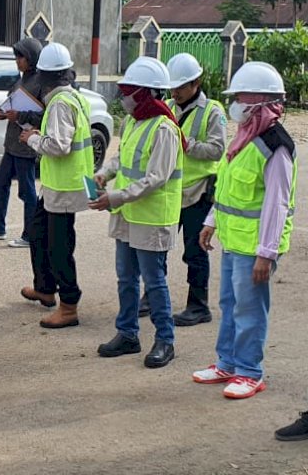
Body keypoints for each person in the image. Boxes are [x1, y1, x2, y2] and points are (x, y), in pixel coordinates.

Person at [193, 61, 297, 400]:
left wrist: (266, 253)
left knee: (250, 309)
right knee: (230, 302)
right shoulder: (244, 138)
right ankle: (227, 363)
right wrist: (211, 222)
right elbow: (227, 189)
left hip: (255, 245)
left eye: (241, 99)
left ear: (259, 103)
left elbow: (276, 204)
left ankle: (249, 371)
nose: (235, 105)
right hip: (234, 239)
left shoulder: (275, 145)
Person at [90, 57, 183, 369]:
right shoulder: (132, 121)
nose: (123, 98)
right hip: (128, 214)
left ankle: (165, 341)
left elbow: (155, 178)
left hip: (152, 217)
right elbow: (121, 159)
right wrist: (105, 173)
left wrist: (114, 196)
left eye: (128, 92)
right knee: (126, 278)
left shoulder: (165, 129)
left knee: (154, 282)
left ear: (145, 94)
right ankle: (128, 334)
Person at [147, 52, 225, 326]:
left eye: (181, 87)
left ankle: (198, 305)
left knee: (195, 250)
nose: (176, 92)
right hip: (171, 191)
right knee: (158, 246)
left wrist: (188, 144)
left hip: (198, 191)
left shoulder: (212, 111)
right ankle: (153, 295)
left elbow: (217, 150)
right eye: (173, 87)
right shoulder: (167, 104)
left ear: (197, 82)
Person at [18, 42, 93, 327]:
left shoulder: (61, 103)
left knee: (59, 246)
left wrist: (33, 139)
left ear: (45, 77)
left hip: (65, 186)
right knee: (38, 233)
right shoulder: (73, 98)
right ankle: (45, 289)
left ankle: (69, 305)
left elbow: (59, 146)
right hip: (60, 184)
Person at [0, 37, 44, 248]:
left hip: (26, 145)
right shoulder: (20, 81)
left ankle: (31, 235)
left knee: (27, 191)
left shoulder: (41, 83)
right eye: (16, 56)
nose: (17, 61)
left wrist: (20, 116)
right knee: (0, 184)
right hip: (12, 144)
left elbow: (44, 116)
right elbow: (10, 106)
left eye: (20, 57)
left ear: (31, 58)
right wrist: (0, 112)